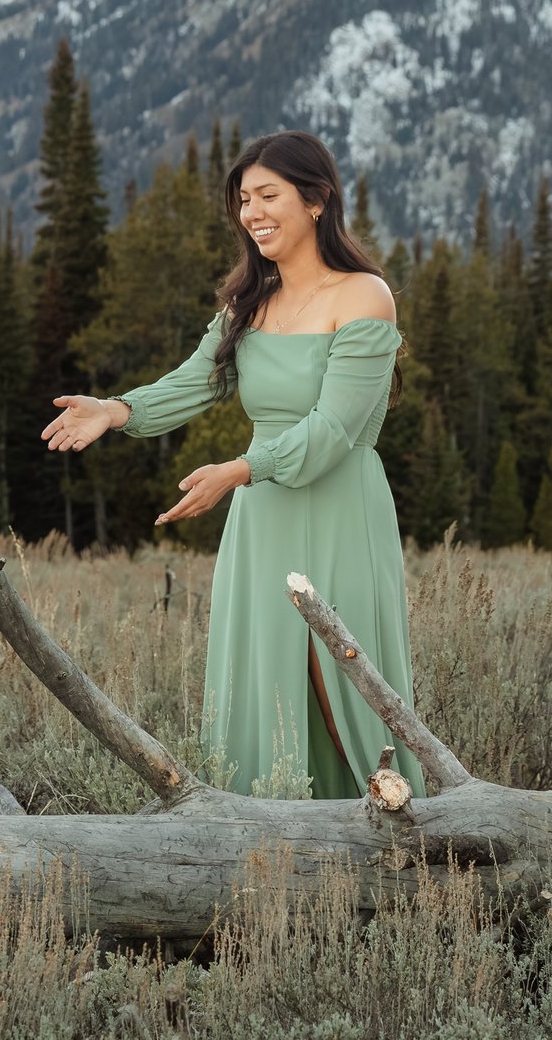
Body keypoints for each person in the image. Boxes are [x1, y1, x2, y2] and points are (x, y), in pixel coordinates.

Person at [40, 130, 417, 799]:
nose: (253, 212)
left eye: (268, 195)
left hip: (342, 509)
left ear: (317, 200)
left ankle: (394, 839)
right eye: (244, 199)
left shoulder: (364, 297)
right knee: (267, 680)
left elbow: (333, 431)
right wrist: (115, 409)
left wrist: (239, 469)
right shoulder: (247, 305)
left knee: (345, 678)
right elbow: (189, 384)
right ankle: (263, 847)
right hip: (262, 517)